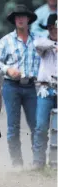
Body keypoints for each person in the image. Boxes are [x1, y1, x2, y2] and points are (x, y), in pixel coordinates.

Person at [0, 5, 41, 167]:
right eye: (17, 17)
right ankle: (16, 162)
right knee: (13, 125)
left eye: (23, 16)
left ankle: (38, 161)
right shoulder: (6, 40)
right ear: (14, 20)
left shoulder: (38, 40)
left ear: (28, 20)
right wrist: (7, 69)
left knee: (36, 124)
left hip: (33, 86)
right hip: (11, 86)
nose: (20, 19)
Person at [32, 14, 57, 170]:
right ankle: (38, 161)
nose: (53, 30)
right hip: (45, 89)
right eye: (50, 28)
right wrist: (55, 45)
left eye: (55, 28)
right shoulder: (43, 43)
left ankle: (55, 162)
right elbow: (38, 44)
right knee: (41, 126)